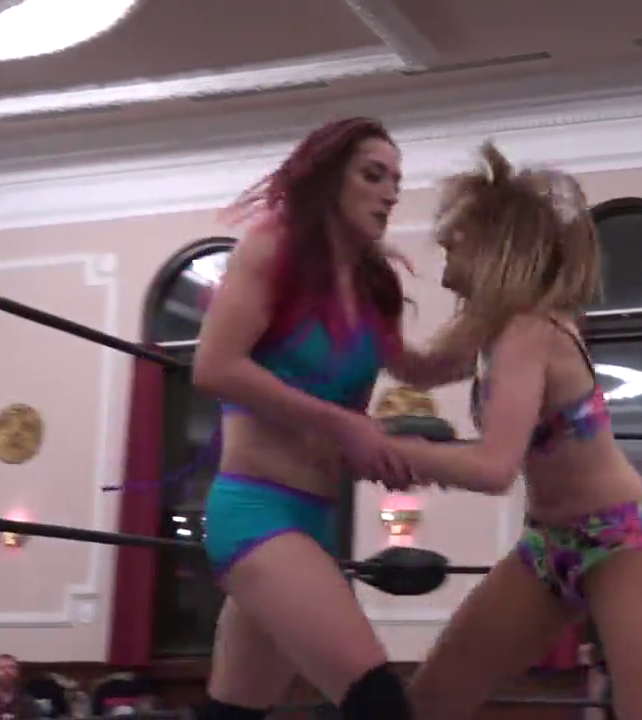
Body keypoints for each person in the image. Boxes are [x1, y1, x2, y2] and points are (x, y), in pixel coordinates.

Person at [381, 142, 642, 720]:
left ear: (492, 247)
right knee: (430, 703)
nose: (444, 264)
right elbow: (414, 368)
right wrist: (367, 297)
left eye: (453, 244)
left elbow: (494, 468)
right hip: (547, 545)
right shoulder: (491, 331)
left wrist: (391, 449)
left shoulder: (530, 333)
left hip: (619, 540)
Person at [191, 117, 475, 720]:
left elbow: (420, 368)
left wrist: (503, 313)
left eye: (396, 181)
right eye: (373, 176)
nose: (390, 194)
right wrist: (346, 426)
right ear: (326, 179)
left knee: (233, 714)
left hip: (317, 519)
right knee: (377, 701)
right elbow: (214, 366)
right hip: (255, 512)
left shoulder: (373, 283)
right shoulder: (273, 248)